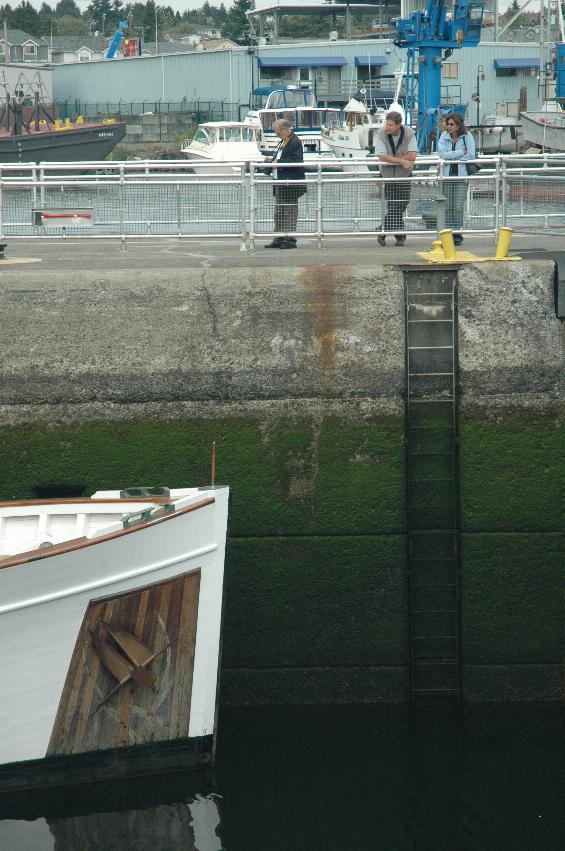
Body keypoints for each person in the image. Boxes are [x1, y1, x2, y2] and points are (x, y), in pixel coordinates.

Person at [373, 111, 417, 246]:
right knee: (393, 204)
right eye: (386, 124)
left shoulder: (409, 134)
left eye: (391, 125)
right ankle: (400, 236)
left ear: (399, 125)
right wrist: (402, 161)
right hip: (387, 175)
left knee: (402, 203)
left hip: (404, 175)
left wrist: (396, 160)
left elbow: (412, 156)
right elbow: (382, 156)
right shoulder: (381, 134)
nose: (387, 127)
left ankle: (383, 229)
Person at [263, 119, 307, 249]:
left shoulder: (295, 142)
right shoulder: (284, 141)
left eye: (277, 133)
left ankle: (290, 240)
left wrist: (278, 161)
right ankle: (279, 238)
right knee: (279, 212)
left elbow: (296, 161)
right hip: (281, 182)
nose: (277, 135)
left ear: (285, 129)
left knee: (289, 212)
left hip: (290, 184)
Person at [437, 112, 475, 246]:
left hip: (461, 176)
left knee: (458, 206)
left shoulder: (467, 136)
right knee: (447, 206)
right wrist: (460, 153)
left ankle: (457, 233)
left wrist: (452, 156)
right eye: (447, 124)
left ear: (458, 126)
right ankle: (448, 233)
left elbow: (470, 155)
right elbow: (441, 155)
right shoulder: (444, 136)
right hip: (446, 176)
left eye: (451, 124)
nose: (448, 127)